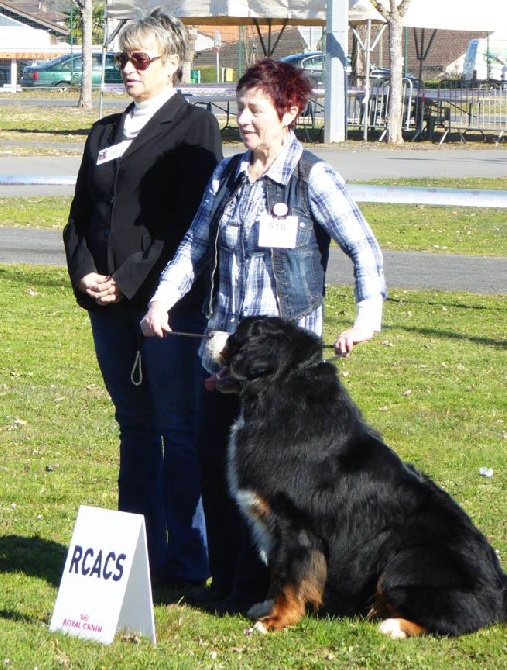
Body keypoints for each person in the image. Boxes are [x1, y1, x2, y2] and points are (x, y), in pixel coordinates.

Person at [140, 58, 386, 613]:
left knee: (282, 491)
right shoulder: (226, 175)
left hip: (285, 377)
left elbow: (363, 249)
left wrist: (366, 315)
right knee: (218, 472)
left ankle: (282, 589)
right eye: (240, 106)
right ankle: (229, 585)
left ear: (290, 112)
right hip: (224, 364)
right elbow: (194, 248)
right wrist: (162, 301)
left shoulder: (312, 177)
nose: (243, 119)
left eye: (255, 109)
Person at [63, 9, 223, 589]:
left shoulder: (194, 126)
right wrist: (86, 275)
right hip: (106, 308)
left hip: (167, 308)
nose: (126, 70)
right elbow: (79, 219)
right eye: (120, 59)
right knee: (133, 426)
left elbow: (186, 222)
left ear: (173, 64)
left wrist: (129, 280)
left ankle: (186, 560)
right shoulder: (104, 131)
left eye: (139, 59)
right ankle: (138, 557)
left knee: (178, 431)